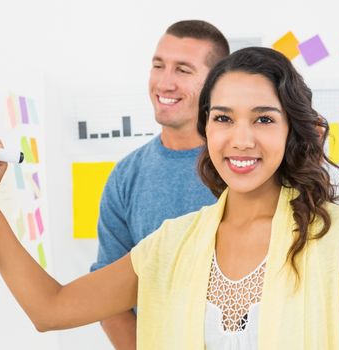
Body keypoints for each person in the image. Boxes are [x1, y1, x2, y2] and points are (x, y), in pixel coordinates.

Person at [0, 47, 339, 349]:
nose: (241, 140)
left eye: (263, 118)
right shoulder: (172, 244)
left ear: (289, 130)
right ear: (206, 130)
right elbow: (50, 310)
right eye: (223, 118)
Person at [89, 20, 229, 349]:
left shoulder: (241, 168)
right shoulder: (125, 177)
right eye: (158, 65)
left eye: (183, 69)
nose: (165, 82)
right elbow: (107, 298)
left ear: (215, 83)